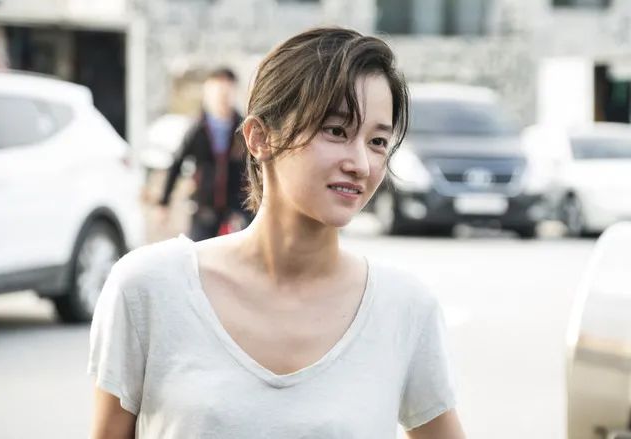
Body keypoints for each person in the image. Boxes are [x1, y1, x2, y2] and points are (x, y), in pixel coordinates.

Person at [89, 28, 465, 439]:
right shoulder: (149, 288)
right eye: (336, 131)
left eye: (377, 141)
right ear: (260, 137)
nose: (360, 164)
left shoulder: (404, 308)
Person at [158, 67, 248, 240]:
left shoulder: (244, 129)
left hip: (236, 211)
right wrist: (164, 202)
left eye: (227, 91)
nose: (222, 97)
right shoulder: (197, 129)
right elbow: (176, 163)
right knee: (199, 252)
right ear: (208, 94)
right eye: (218, 91)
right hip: (203, 210)